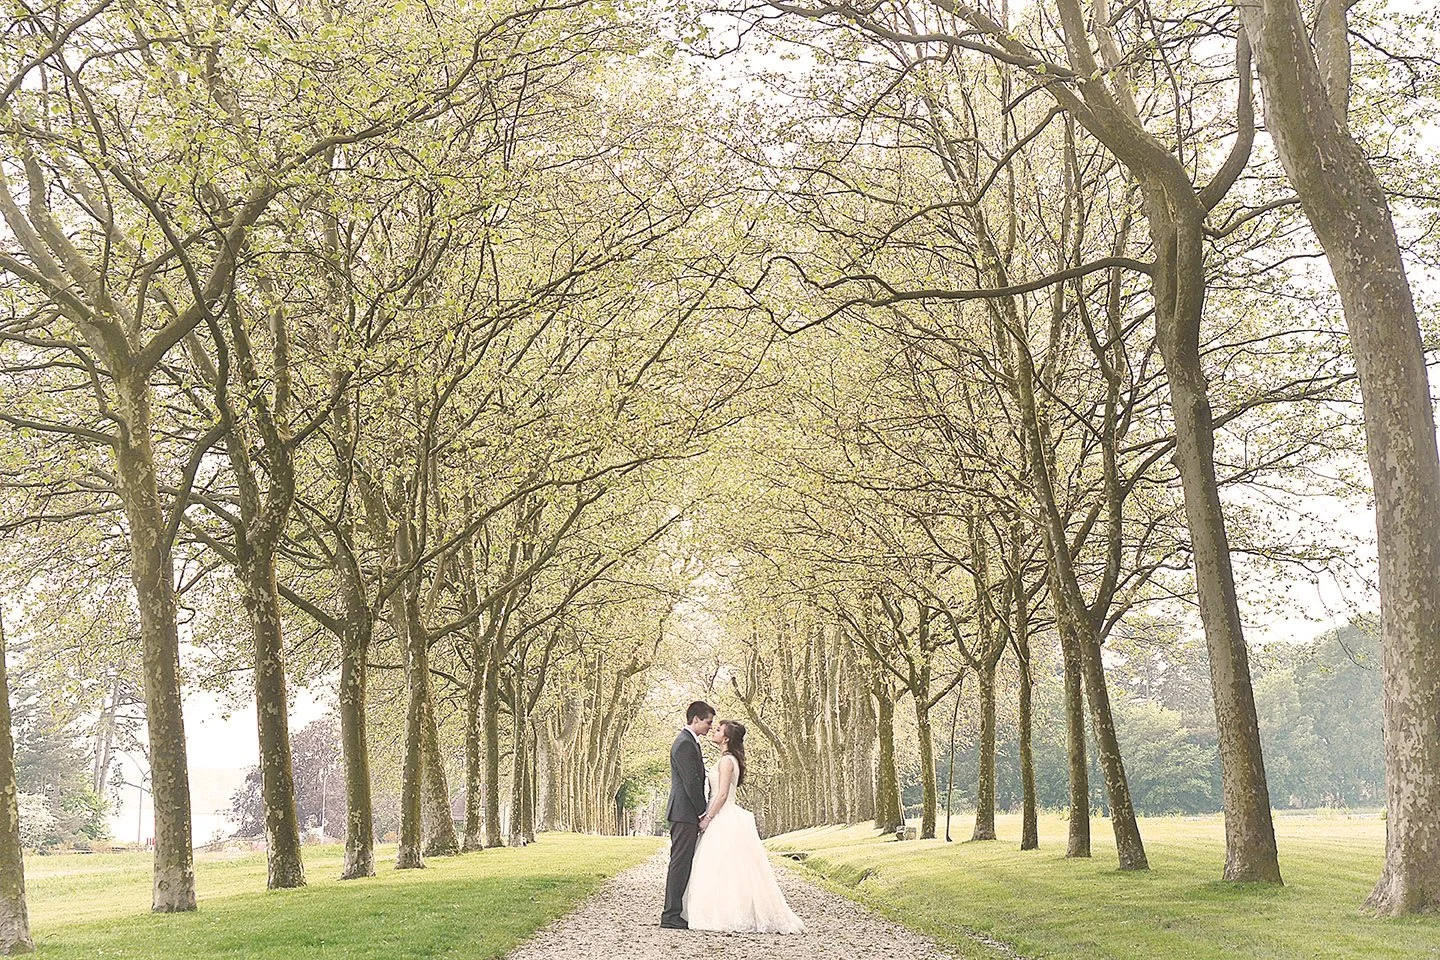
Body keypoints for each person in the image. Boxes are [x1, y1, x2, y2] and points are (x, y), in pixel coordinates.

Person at [682, 719, 805, 934]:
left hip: (722, 814)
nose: (714, 731)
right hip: (724, 814)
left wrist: (708, 817)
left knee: (721, 866)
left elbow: (721, 794)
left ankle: (727, 913)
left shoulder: (727, 761)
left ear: (727, 738)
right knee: (723, 866)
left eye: (718, 730)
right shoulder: (728, 759)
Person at [660, 700, 713, 929]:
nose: (710, 727)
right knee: (679, 863)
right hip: (684, 813)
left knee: (683, 862)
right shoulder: (684, 744)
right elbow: (691, 783)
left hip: (685, 813)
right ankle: (670, 915)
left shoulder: (691, 742)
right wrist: (703, 812)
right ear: (696, 719)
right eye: (708, 722)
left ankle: (675, 912)